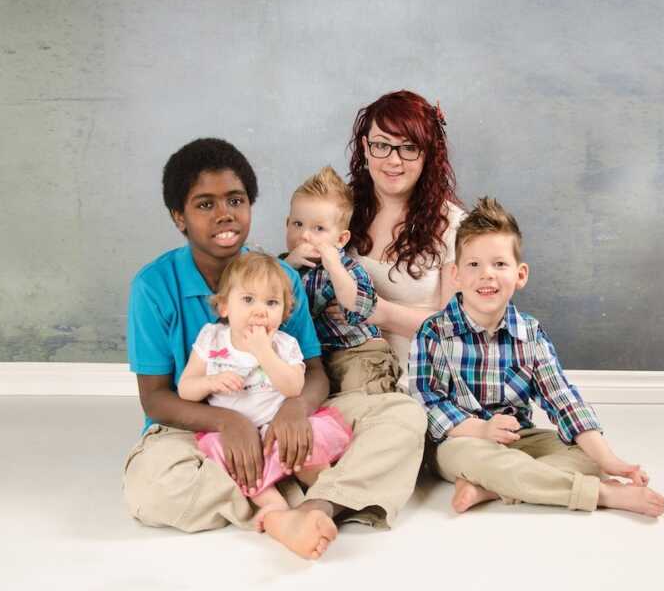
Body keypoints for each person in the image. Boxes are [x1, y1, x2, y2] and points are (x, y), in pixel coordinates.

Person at [123, 138, 426, 561]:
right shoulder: (153, 287)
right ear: (180, 218)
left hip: (281, 413)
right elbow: (155, 398)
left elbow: (316, 371)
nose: (224, 213)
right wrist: (228, 422)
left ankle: (318, 506)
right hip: (198, 427)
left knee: (405, 415)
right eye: (204, 205)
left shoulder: (279, 276)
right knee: (148, 488)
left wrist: (296, 408)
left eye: (236, 199)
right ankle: (278, 511)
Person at [408, 197, 664, 517]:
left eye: (499, 264)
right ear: (456, 275)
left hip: (519, 437)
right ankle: (600, 495)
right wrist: (482, 431)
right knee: (477, 459)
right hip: (459, 442)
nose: (486, 275)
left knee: (585, 457)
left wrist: (608, 460)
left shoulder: (529, 333)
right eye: (473, 264)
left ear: (520, 274)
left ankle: (489, 487)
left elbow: (562, 398)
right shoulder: (433, 332)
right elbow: (427, 405)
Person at [177, 251, 352, 540]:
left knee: (309, 443)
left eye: (271, 303)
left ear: (284, 313)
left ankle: (319, 495)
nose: (260, 311)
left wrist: (263, 352)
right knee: (219, 452)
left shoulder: (284, 345)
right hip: (236, 438)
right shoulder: (211, 339)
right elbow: (186, 388)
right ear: (224, 307)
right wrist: (210, 381)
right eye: (248, 300)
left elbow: (294, 387)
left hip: (277, 428)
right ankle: (274, 507)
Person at [326, 90, 465, 382]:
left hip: (423, 381)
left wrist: (373, 310)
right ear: (365, 147)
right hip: (343, 372)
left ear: (428, 153)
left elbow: (455, 328)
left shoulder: (455, 226)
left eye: (408, 147)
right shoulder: (337, 210)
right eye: (381, 145)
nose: (393, 160)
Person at [283, 166, 401, 396]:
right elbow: (271, 297)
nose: (305, 235)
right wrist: (288, 265)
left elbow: (354, 305)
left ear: (340, 239)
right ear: (287, 224)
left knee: (359, 392)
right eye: (297, 224)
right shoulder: (281, 268)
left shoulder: (347, 268)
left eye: (318, 228)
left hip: (358, 352)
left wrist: (334, 266)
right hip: (317, 359)